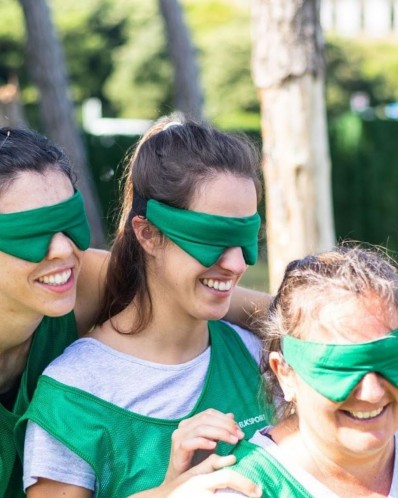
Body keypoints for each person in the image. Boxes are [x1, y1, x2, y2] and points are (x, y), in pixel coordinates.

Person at [0, 126, 269, 498]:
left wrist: (311, 321)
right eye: (30, 232)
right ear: (146, 233)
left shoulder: (84, 278)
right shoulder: (75, 388)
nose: (63, 249)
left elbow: (183, 284)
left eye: (69, 223)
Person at [215, 245, 398, 497]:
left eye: (390, 360)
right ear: (284, 374)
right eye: (340, 366)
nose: (373, 393)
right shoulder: (245, 489)